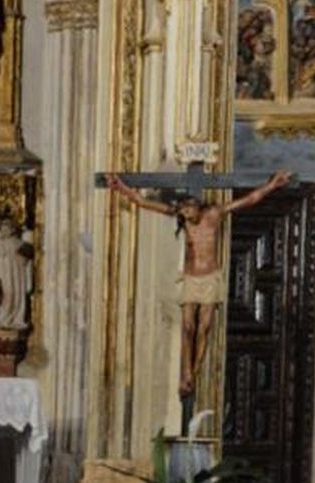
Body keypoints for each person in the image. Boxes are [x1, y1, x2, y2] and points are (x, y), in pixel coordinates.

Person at [110, 169, 292, 396]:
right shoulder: (182, 218)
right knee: (188, 327)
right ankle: (185, 372)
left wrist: (273, 184)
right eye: (183, 213)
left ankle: (193, 373)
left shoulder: (214, 214)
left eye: (189, 210)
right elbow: (144, 203)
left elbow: (248, 200)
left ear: (197, 206)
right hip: (190, 278)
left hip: (209, 279)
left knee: (204, 328)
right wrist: (122, 188)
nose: (186, 215)